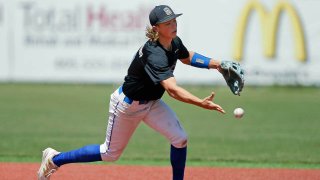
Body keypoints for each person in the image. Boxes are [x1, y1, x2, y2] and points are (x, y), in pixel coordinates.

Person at [37, 5, 226, 180]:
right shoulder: (155, 54)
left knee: (180, 138)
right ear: (156, 28)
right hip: (127, 106)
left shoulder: (174, 42)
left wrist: (217, 64)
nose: (174, 24)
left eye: (174, 20)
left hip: (151, 103)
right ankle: (55, 158)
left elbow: (187, 57)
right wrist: (200, 103)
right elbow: (173, 90)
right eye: (168, 23)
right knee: (109, 154)